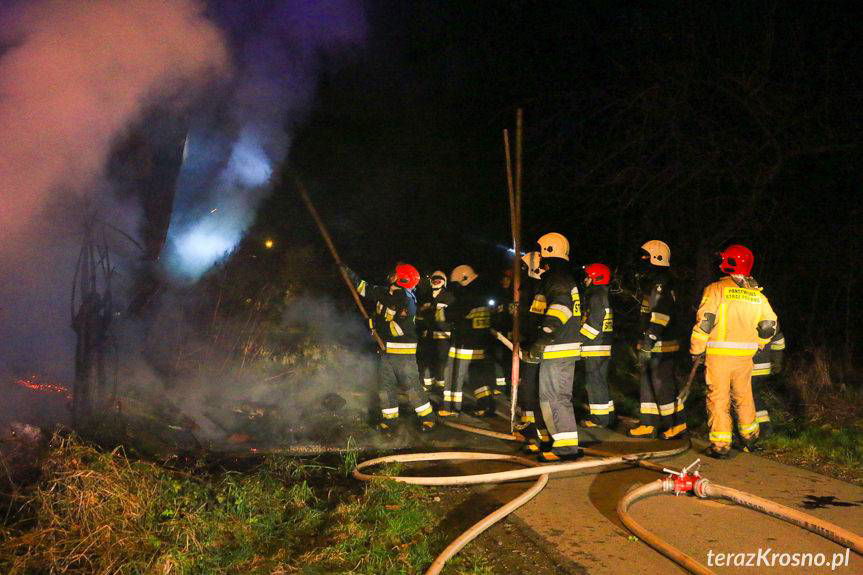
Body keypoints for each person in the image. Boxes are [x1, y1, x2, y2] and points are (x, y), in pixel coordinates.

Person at [690, 244, 778, 458]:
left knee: (718, 399)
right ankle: (750, 438)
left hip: (719, 356)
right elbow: (770, 324)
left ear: (729, 263)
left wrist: (696, 349)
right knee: (744, 396)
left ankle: (721, 445)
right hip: (745, 357)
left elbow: (705, 322)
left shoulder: (716, 290)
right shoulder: (756, 294)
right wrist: (758, 343)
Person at [344, 263, 435, 432]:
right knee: (385, 386)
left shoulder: (407, 301)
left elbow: (397, 329)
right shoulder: (385, 292)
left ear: (403, 279)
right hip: (386, 350)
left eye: (395, 274)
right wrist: (348, 272)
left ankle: (428, 418)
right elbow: (364, 289)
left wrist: (373, 323)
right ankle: (390, 421)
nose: (390, 276)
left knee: (411, 386)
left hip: (403, 351)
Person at [530, 233, 584, 461]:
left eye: (540, 252)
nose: (538, 257)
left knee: (554, 397)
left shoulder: (557, 278)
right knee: (553, 396)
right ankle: (559, 441)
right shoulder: (560, 277)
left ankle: (565, 447)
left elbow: (561, 309)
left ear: (549, 251)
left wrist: (543, 337)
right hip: (560, 346)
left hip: (557, 346)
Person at [628, 240, 688, 440]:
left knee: (663, 385)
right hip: (652, 343)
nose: (642, 260)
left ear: (656, 257)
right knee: (647, 383)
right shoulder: (654, 281)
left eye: (646, 256)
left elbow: (660, 316)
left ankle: (675, 424)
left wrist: (649, 340)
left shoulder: (662, 282)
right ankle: (649, 422)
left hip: (662, 345)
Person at [438, 265, 496, 417]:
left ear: (464, 279)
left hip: (464, 343)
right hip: (480, 343)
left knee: (453, 375)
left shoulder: (469, 294)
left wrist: (435, 313)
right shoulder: (483, 291)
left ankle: (450, 407)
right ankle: (486, 405)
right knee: (477, 376)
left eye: (456, 283)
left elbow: (452, 313)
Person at [516, 251, 547, 453]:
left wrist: (525, 341)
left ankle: (537, 433)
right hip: (536, 344)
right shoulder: (538, 287)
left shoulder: (535, 289)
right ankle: (532, 427)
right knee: (531, 388)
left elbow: (534, 320)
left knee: (531, 389)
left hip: (535, 346)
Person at [578, 263, 615, 428]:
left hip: (595, 347)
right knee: (600, 381)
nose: (585, 280)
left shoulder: (596, 297)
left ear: (595, 278)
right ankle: (609, 415)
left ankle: (599, 419)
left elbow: (593, 326)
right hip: (602, 346)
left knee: (594, 383)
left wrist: (577, 340)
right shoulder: (602, 295)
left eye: (588, 277)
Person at [417, 270, 453, 391]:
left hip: (443, 335)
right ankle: (428, 383)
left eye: (439, 279)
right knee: (427, 359)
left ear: (444, 282)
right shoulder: (425, 296)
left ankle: (441, 385)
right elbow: (420, 314)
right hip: (428, 334)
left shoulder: (449, 296)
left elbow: (452, 315)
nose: (436, 281)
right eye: (434, 279)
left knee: (441, 361)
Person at [751, 329, 785, 437]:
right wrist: (776, 362)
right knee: (754, 396)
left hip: (746, 366)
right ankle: (764, 427)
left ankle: (748, 433)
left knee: (742, 398)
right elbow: (779, 342)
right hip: (764, 367)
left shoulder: (742, 314)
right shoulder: (770, 317)